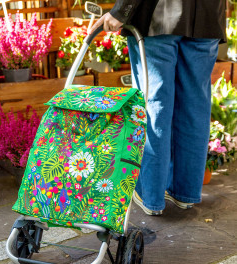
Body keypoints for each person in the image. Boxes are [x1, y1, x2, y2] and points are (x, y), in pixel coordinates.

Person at [89, 0, 226, 215]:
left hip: (158, 16)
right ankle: (184, 193)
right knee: (194, 108)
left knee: (155, 107)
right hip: (207, 17)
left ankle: (150, 196)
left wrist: (121, 10)